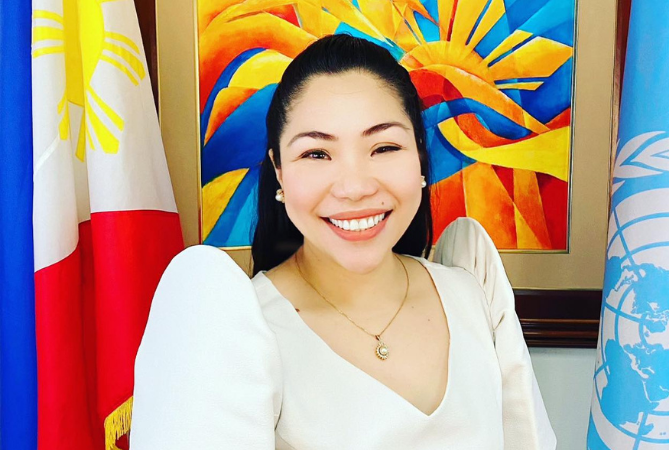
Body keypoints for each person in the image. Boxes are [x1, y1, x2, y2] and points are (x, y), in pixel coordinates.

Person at [130, 34, 556, 449]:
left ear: (419, 157)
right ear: (279, 171)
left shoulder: (474, 296)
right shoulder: (239, 332)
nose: (354, 188)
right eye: (316, 154)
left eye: (384, 147)